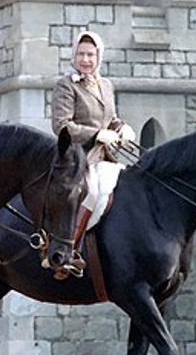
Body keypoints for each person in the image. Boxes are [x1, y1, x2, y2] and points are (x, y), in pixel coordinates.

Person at [52, 31, 135, 244]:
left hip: (104, 157)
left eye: (90, 55)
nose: (85, 60)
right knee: (94, 192)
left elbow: (111, 118)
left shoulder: (106, 85)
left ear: (99, 56)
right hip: (77, 158)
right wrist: (97, 134)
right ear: (74, 56)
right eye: (81, 54)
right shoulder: (66, 85)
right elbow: (61, 126)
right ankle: (72, 244)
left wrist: (121, 128)